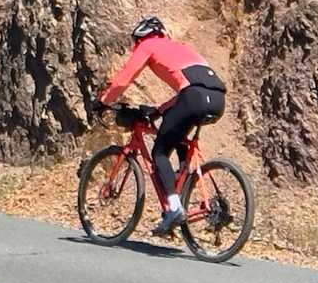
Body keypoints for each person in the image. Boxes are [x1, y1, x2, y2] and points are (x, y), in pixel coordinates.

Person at [97, 17, 227, 236]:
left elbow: (123, 79)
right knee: (178, 132)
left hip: (193, 97)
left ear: (140, 37)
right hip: (217, 98)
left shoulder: (148, 45)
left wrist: (103, 101)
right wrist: (160, 109)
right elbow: (189, 87)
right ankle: (185, 175)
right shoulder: (181, 48)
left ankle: (174, 207)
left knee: (159, 152)